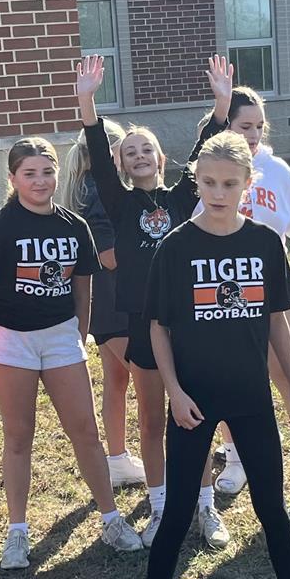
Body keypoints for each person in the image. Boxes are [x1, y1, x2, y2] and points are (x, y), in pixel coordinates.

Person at [135, 130, 290, 579]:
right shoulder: (175, 246)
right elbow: (159, 328)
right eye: (207, 182)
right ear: (196, 181)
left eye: (229, 183)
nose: (218, 192)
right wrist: (174, 391)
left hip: (250, 397)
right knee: (178, 510)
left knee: (271, 504)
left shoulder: (265, 243)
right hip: (194, 400)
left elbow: (278, 320)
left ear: (249, 185)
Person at [0, 136, 147, 570]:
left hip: (61, 337)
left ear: (57, 174)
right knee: (19, 435)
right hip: (12, 340)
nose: (40, 181)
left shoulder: (73, 225)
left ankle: (111, 518)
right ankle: (17, 533)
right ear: (12, 178)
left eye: (47, 172)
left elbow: (83, 287)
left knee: (85, 431)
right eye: (29, 173)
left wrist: (77, 334)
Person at [75, 56, 230, 549]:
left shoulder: (184, 196)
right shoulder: (120, 203)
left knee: (196, 416)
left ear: (161, 160)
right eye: (131, 152)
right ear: (122, 165)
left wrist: (222, 103)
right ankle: (162, 509)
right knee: (151, 418)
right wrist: (87, 100)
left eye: (148, 149)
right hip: (142, 325)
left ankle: (206, 508)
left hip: (189, 324)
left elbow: (208, 148)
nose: (139, 155)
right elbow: (97, 153)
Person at [199, 59, 290, 498]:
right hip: (221, 300)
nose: (255, 135)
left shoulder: (277, 171)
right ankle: (237, 459)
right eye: (245, 125)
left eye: (260, 125)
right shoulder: (211, 174)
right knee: (227, 383)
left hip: (270, 300)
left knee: (289, 376)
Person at [60, 117, 146, 495]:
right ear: (110, 152)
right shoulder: (96, 190)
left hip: (104, 303)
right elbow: (109, 255)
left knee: (117, 380)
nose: (131, 158)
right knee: (148, 383)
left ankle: (117, 460)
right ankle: (158, 460)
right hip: (113, 301)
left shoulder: (83, 186)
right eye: (126, 150)